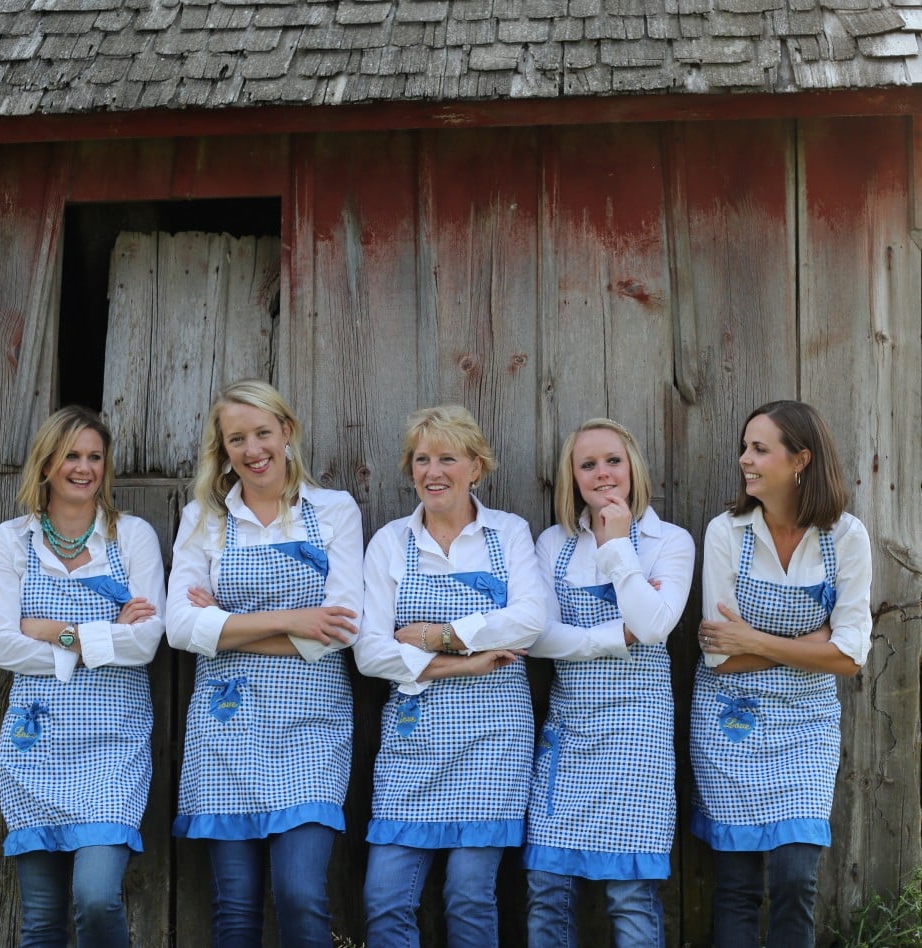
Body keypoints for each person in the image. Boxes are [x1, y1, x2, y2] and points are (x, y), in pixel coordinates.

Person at [166, 378, 363, 948]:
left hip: (311, 726)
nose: (253, 450)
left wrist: (225, 626)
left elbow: (339, 629)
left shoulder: (333, 512)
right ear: (222, 450)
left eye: (262, 433)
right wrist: (292, 620)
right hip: (226, 731)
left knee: (302, 896)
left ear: (287, 433)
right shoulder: (204, 518)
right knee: (234, 907)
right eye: (236, 439)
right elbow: (180, 628)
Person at [354, 404, 545, 948]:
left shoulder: (508, 532)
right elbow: (370, 653)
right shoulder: (391, 541)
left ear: (476, 467)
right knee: (384, 900)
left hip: (492, 740)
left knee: (467, 894)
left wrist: (434, 636)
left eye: (447, 458)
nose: (433, 472)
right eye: (421, 459)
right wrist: (471, 661)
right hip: (412, 742)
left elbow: (530, 620)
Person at [691, 400, 873, 948]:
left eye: (760, 449)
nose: (745, 459)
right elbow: (722, 656)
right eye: (744, 448)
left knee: (797, 877)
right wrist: (810, 643)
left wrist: (757, 640)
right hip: (731, 722)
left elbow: (850, 656)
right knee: (738, 886)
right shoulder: (727, 532)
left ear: (801, 460)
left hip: (806, 723)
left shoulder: (845, 537)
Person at [0, 406, 166, 947]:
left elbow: (146, 641)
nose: (83, 468)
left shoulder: (131, 537)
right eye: (71, 456)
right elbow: (4, 645)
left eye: (93, 456)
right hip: (34, 747)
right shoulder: (11, 541)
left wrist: (52, 631)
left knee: (95, 896)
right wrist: (97, 631)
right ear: (46, 464)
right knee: (40, 919)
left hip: (113, 745)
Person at [523, 418, 695, 947]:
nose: (602, 474)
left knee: (631, 896)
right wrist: (612, 636)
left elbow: (653, 625)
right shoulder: (554, 543)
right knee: (546, 888)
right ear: (571, 477)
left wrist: (619, 548)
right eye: (588, 464)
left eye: (612, 461)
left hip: (636, 739)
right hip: (569, 735)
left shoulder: (671, 541)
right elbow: (536, 637)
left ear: (633, 466)